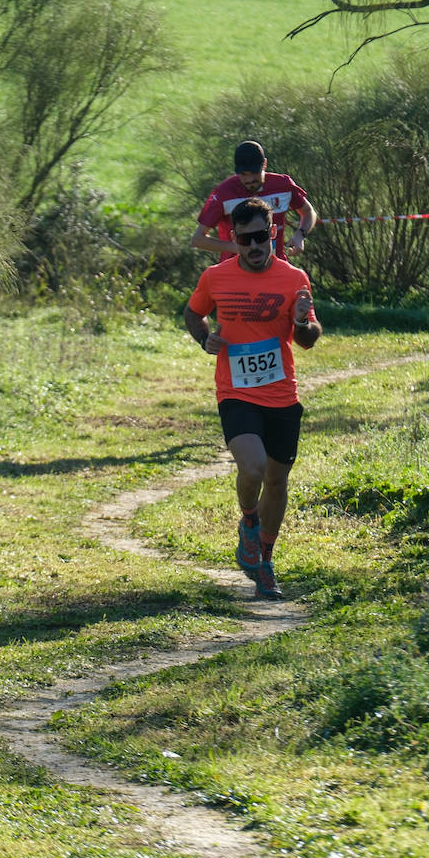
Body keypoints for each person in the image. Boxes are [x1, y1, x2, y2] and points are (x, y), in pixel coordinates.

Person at [184, 196, 322, 599]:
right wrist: (204, 337)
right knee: (255, 467)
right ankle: (248, 522)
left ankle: (263, 560)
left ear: (273, 233)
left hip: (282, 394)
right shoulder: (216, 278)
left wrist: (300, 322)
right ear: (235, 240)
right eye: (246, 240)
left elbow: (309, 340)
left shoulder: (294, 278)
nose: (255, 246)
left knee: (277, 482)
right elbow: (194, 313)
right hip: (236, 393)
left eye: (262, 236)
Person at [189, 140, 318, 263]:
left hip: (276, 268)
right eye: (243, 174)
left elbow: (308, 212)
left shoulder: (283, 185)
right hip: (235, 274)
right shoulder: (224, 193)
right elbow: (198, 239)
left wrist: (300, 235)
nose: (249, 179)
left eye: (254, 173)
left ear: (264, 164)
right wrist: (241, 248)